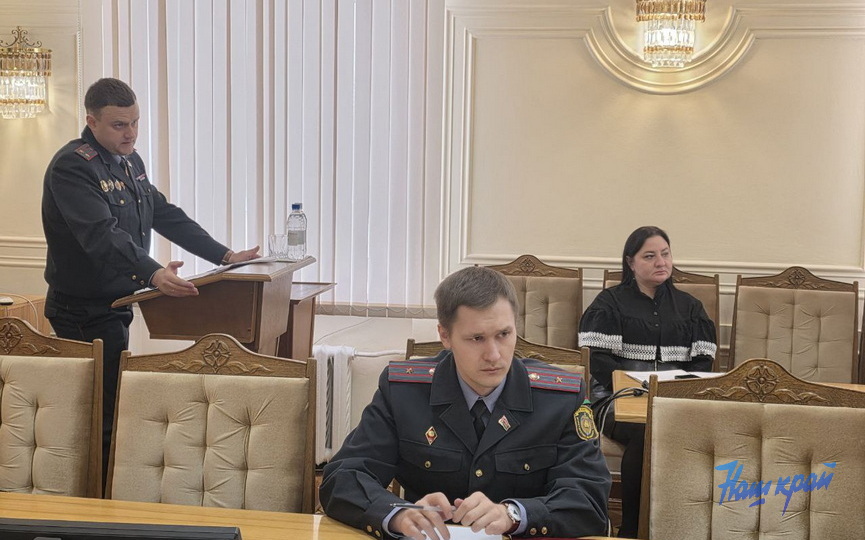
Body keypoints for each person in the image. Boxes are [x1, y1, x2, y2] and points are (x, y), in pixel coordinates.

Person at [41, 77, 259, 481]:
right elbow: (101, 234)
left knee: (113, 406)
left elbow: (163, 213)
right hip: (82, 310)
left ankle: (108, 490)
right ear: (91, 121)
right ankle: (95, 496)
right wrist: (154, 272)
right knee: (101, 413)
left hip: (115, 305)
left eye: (135, 122)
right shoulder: (73, 166)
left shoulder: (128, 160)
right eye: (119, 125)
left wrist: (225, 256)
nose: (131, 133)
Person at [320, 266, 610, 540]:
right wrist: (398, 513)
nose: (494, 355)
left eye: (504, 334)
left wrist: (513, 514)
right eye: (477, 338)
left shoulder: (560, 398)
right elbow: (344, 477)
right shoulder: (403, 391)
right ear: (445, 336)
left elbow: (588, 500)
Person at [579, 225, 717, 538]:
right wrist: (633, 389)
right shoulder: (609, 304)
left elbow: (702, 363)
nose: (661, 262)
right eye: (650, 256)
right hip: (615, 399)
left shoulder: (690, 307)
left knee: (687, 428)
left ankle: (679, 524)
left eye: (665, 254)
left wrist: (673, 391)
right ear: (631, 262)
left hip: (671, 400)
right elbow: (598, 362)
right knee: (646, 431)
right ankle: (632, 529)